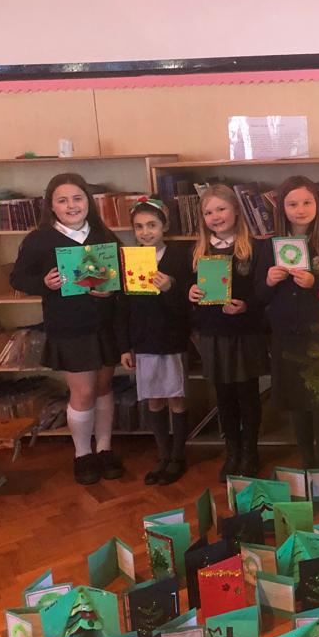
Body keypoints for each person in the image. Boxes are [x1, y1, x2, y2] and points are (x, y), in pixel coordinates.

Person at [10, 173, 125, 485]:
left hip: (104, 324)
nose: (71, 205)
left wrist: (111, 290)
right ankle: (81, 454)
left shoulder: (104, 235)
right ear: (52, 206)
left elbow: (120, 277)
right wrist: (44, 284)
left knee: (103, 387)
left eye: (77, 198)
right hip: (69, 327)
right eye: (63, 200)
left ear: (88, 201)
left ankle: (104, 449)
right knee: (83, 391)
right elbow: (18, 278)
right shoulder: (40, 239)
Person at [255, 176, 319, 467]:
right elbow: (258, 296)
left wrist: (316, 283)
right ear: (282, 208)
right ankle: (307, 459)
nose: (300, 209)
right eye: (292, 204)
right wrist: (269, 280)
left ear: (317, 205)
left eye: (307, 202)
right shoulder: (269, 247)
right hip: (286, 338)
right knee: (296, 403)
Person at [188, 184, 268, 481]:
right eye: (208, 212)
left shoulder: (254, 249)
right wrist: (191, 292)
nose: (215, 216)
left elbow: (263, 294)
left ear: (236, 210)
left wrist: (246, 305)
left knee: (248, 394)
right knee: (223, 396)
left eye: (221, 209)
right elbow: (189, 291)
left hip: (244, 333)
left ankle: (250, 452)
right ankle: (232, 451)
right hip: (212, 334)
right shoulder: (197, 251)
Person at [116, 198, 193, 486]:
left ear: (165, 226)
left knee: (176, 395)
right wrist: (125, 346)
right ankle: (162, 455)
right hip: (144, 340)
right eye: (139, 227)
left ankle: (178, 455)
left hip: (172, 339)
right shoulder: (130, 260)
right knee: (154, 399)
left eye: (152, 225)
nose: (145, 232)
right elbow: (122, 307)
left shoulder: (179, 256)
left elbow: (189, 302)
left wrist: (171, 287)